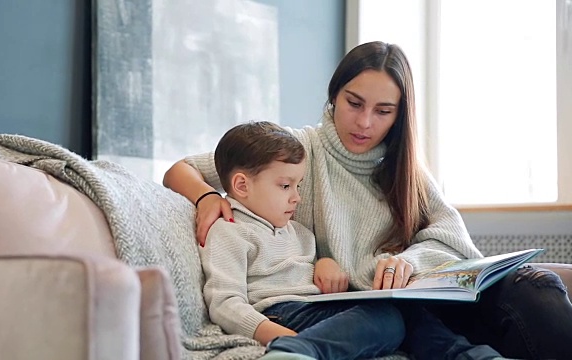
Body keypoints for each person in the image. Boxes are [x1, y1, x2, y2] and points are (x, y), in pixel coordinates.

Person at [163, 41, 572, 359]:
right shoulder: (295, 153)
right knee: (399, 321)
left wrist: (408, 262)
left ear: (400, 115)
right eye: (354, 103)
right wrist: (204, 197)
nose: (364, 122)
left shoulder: (405, 168)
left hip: (427, 302)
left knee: (539, 288)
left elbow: (454, 240)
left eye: (383, 111)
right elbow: (181, 168)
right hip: (356, 311)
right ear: (334, 97)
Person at [197, 120, 506, 360]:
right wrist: (278, 336)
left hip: (317, 307)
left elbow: (307, 266)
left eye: (299, 185)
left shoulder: (298, 232)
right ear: (241, 185)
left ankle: (474, 356)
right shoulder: (230, 229)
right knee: (386, 320)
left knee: (408, 313)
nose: (297, 197)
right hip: (279, 312)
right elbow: (225, 302)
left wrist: (325, 262)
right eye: (285, 186)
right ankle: (294, 353)